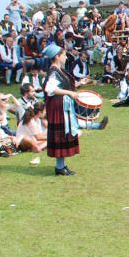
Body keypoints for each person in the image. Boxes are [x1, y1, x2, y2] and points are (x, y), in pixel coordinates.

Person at [43, 44, 107, 177]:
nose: (66, 57)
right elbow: (50, 89)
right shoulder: (53, 71)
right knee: (62, 135)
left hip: (62, 105)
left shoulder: (58, 70)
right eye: (64, 55)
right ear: (57, 57)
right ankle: (60, 167)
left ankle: (61, 166)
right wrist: (70, 93)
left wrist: (79, 83)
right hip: (58, 107)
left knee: (65, 134)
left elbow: (63, 85)